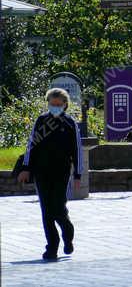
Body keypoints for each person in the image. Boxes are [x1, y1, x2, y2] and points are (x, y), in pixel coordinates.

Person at [17, 88, 83, 261]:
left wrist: (77, 174)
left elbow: (77, 151)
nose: (55, 107)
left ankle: (67, 236)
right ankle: (51, 247)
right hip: (41, 172)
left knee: (58, 208)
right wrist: (26, 168)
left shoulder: (70, 124)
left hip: (61, 172)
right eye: (52, 104)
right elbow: (31, 146)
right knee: (46, 210)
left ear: (65, 104)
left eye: (58, 104)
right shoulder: (41, 121)